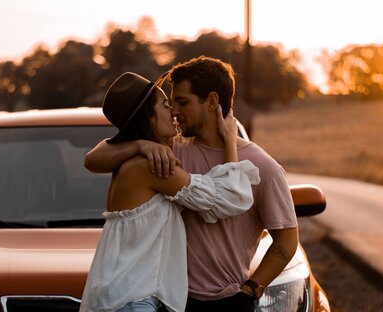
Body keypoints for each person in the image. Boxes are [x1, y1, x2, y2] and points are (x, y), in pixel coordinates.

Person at [84, 56, 299, 311]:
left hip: (227, 300)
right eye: (169, 103)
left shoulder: (265, 168)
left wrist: (251, 290)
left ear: (211, 102)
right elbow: (94, 158)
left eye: (182, 102)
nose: (174, 111)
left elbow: (286, 242)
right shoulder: (166, 152)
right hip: (170, 301)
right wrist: (139, 144)